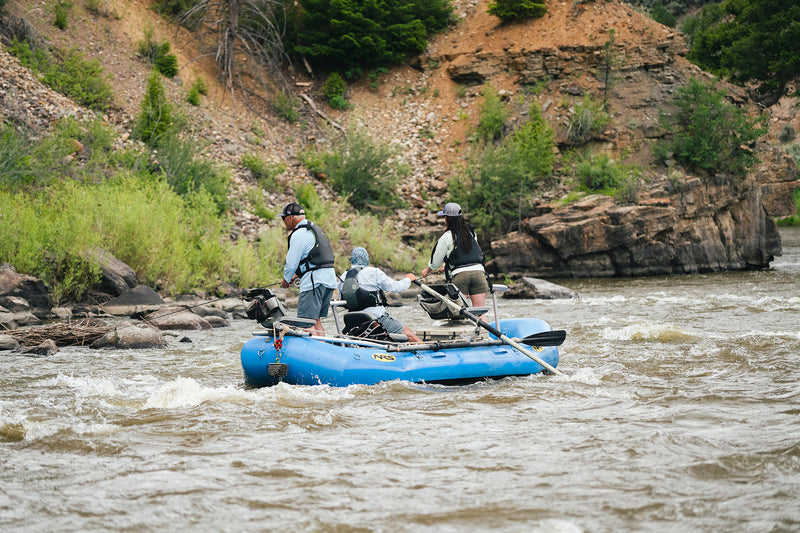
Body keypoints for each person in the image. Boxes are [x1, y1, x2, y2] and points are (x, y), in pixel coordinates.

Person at [340, 247, 422, 343]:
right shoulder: (374, 272)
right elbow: (395, 287)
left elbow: (341, 297)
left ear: (352, 259)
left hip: (352, 319)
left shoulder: (344, 275)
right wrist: (409, 279)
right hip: (375, 318)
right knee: (410, 334)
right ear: (366, 258)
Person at [280, 202, 338, 335]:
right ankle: (323, 346)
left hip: (314, 282)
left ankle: (316, 353)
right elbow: (314, 258)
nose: (284, 223)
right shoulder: (314, 229)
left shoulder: (299, 233)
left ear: (290, 218)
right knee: (315, 321)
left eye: (283, 219)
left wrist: (286, 279)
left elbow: (291, 263)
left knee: (305, 321)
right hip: (329, 281)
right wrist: (297, 275)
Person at [420, 202, 489, 307]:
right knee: (479, 312)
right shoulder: (471, 232)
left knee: (459, 313)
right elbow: (469, 253)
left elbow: (435, 262)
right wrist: (446, 265)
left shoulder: (447, 236)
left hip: (461, 276)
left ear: (447, 218)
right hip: (479, 273)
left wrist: (427, 271)